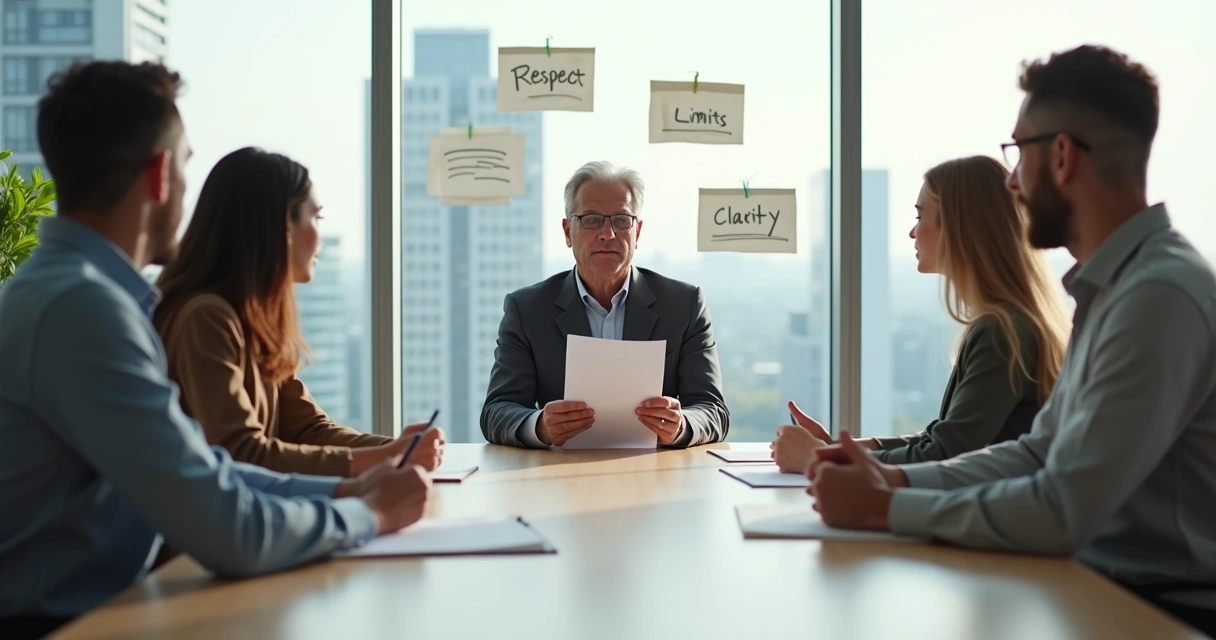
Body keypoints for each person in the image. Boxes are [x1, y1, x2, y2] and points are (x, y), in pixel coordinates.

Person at [0, 61, 430, 639]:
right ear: (159, 176)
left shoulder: (71, 294)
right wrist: (369, 513)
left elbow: (211, 472)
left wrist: (347, 488)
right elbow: (226, 526)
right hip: (66, 624)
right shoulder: (84, 310)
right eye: (184, 164)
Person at [807, 45, 1216, 636]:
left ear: (1062, 156)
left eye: (1017, 153)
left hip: (1154, 612)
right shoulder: (1115, 289)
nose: (1011, 180)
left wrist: (883, 507)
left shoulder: (1159, 297)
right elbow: (1036, 453)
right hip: (1098, 589)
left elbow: (1062, 507)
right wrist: (892, 480)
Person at [153, 147, 444, 477]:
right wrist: (385, 457)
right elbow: (241, 453)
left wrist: (396, 448)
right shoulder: (206, 318)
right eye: (316, 217)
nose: (321, 236)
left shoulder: (254, 317)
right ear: (283, 227)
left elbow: (308, 430)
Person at [771, 156, 1069, 473]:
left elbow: (945, 453)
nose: (913, 233)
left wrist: (820, 458)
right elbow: (941, 439)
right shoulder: (1012, 323)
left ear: (958, 225)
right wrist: (838, 450)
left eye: (920, 215)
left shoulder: (1001, 332)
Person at [481, 161, 729, 448]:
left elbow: (713, 411)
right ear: (567, 231)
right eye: (591, 220)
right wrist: (539, 426)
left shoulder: (684, 305)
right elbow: (496, 411)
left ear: (637, 232)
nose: (608, 234)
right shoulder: (526, 309)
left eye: (621, 220)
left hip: (656, 477)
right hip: (559, 478)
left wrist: (682, 425)